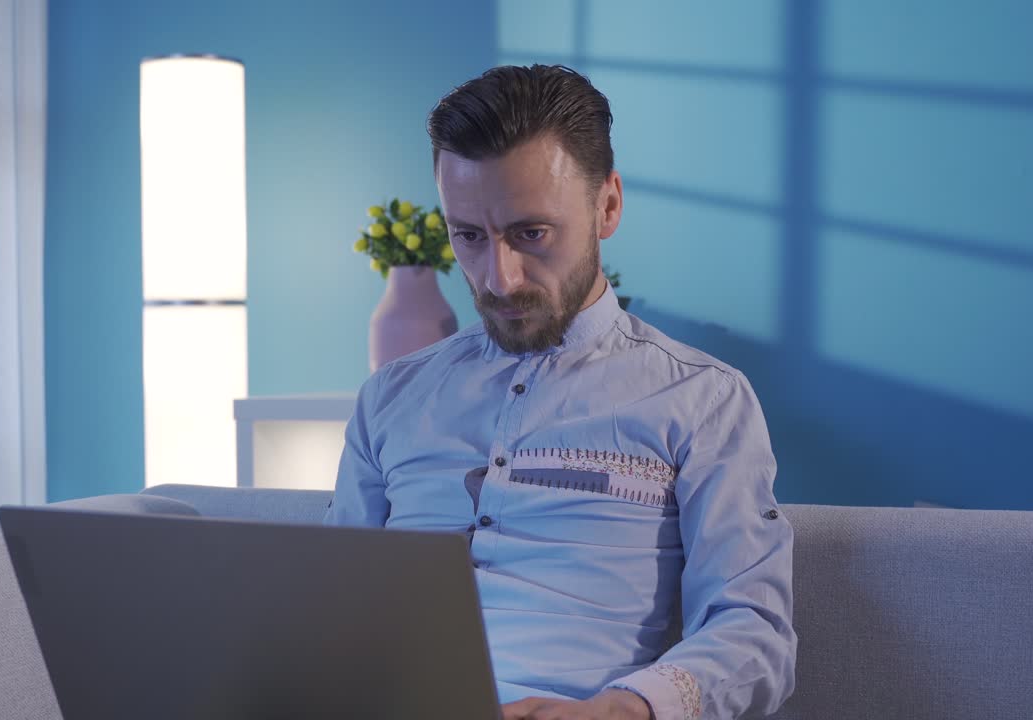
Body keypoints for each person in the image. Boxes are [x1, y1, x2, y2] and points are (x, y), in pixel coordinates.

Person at [324, 64, 796, 720]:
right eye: (468, 237)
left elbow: (755, 633)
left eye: (531, 233)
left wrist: (622, 710)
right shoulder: (390, 400)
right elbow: (330, 609)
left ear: (608, 206)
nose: (499, 277)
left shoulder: (703, 402)